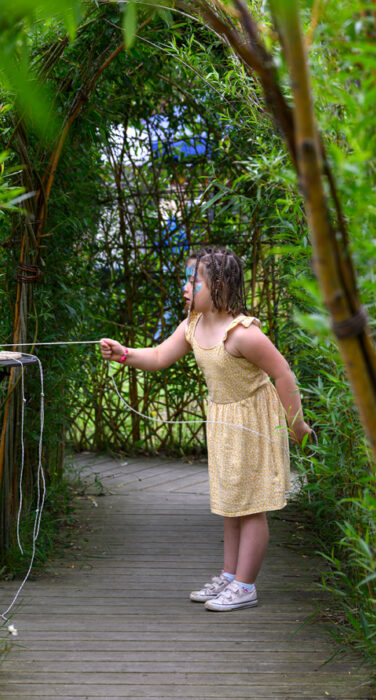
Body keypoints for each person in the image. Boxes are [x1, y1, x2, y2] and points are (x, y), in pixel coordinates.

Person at [100, 246, 311, 612]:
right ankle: (230, 575)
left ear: (219, 286)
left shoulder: (242, 334)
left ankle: (246, 585)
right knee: (231, 505)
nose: (185, 287)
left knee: (252, 506)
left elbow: (283, 373)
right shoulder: (192, 326)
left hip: (254, 423)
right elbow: (159, 356)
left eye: (192, 280)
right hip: (224, 422)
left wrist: (297, 424)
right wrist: (124, 354)